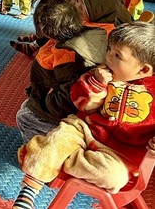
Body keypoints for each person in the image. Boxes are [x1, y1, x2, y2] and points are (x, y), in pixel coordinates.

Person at [13, 22, 155, 209]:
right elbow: (82, 103)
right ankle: (28, 191)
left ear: (143, 69)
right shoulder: (99, 73)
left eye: (117, 55)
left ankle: (60, 159)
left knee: (114, 178)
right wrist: (96, 84)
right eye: (109, 49)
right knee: (58, 138)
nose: (108, 57)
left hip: (121, 154)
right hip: (83, 129)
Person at [14, 0, 113, 144]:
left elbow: (68, 100)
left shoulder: (67, 56)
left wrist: (41, 102)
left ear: (43, 30)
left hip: (71, 113)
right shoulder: (92, 33)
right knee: (27, 106)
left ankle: (41, 152)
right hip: (74, 103)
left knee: (24, 116)